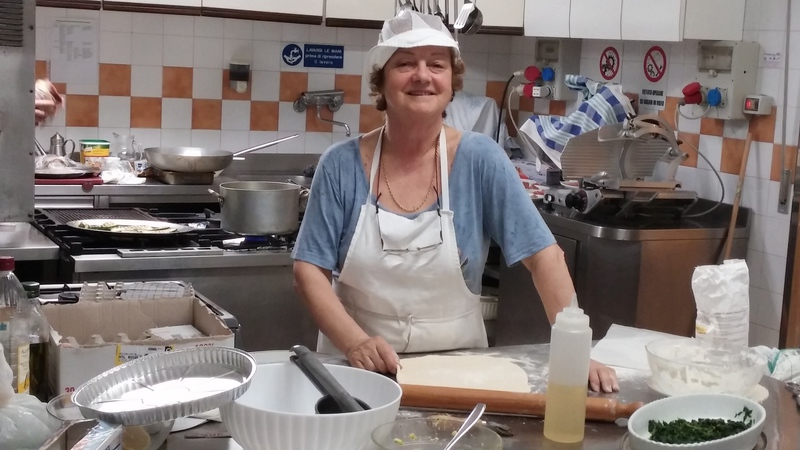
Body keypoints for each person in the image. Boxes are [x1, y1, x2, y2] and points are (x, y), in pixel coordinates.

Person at [292, 10, 618, 393]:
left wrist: (575, 350)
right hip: (357, 373)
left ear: (451, 81)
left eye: (436, 64)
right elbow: (308, 269)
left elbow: (544, 256)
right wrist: (355, 343)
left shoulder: (480, 159)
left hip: (459, 374)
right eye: (405, 64)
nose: (422, 75)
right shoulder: (341, 164)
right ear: (381, 80)